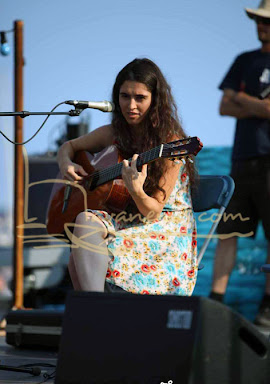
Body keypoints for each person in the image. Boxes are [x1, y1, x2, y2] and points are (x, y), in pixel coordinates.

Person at [56, 58, 198, 296]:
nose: (131, 105)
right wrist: (66, 163)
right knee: (84, 222)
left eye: (140, 98)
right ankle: (97, 310)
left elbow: (153, 212)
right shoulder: (113, 133)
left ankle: (96, 312)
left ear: (155, 100)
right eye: (125, 96)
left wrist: (136, 190)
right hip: (129, 220)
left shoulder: (171, 143)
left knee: (79, 257)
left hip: (164, 228)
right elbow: (68, 146)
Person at [210, 0, 270, 327]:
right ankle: (215, 302)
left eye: (267, 21)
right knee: (228, 232)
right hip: (241, 161)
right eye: (259, 20)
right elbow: (223, 106)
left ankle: (268, 306)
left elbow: (234, 101)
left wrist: (241, 98)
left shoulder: (243, 72)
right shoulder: (243, 60)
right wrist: (259, 104)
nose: (262, 25)